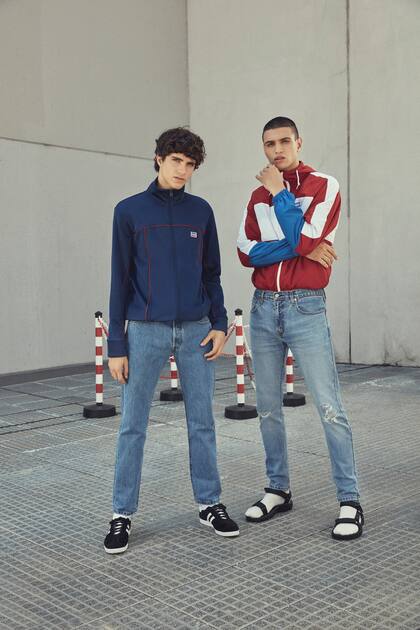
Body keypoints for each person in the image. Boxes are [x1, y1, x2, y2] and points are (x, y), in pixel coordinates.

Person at [104, 127, 239, 554]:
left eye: (190, 164)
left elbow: (212, 274)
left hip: (197, 330)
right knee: (133, 424)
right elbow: (119, 280)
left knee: (202, 421)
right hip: (145, 331)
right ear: (159, 158)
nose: (183, 169)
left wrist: (219, 322)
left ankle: (209, 503)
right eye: (176, 160)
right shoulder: (129, 211)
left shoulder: (201, 212)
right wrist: (116, 345)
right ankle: (122, 513)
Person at [237, 116, 363, 540]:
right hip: (262, 308)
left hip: (305, 306)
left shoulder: (324, 185)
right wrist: (298, 247)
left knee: (329, 406)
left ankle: (350, 500)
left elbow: (309, 238)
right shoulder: (255, 195)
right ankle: (278, 489)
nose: (277, 150)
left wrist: (280, 194)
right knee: (268, 407)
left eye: (284, 141)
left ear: (299, 142)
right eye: (269, 143)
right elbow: (245, 252)